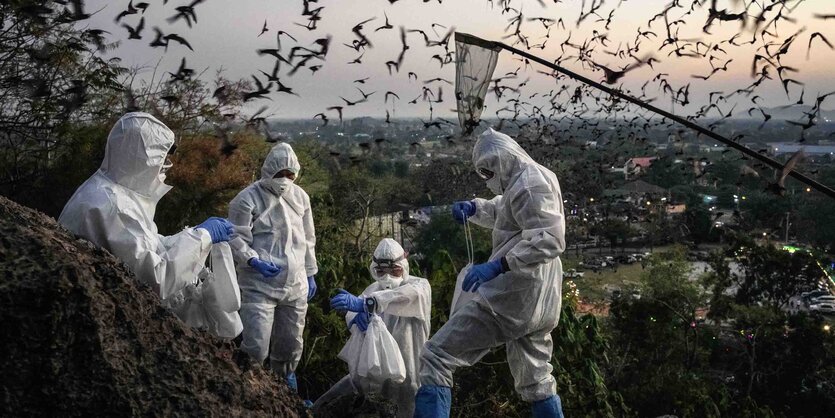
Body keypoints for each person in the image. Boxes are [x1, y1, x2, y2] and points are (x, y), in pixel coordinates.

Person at [414, 128, 566, 418]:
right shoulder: (530, 178)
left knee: (436, 356)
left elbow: (551, 239)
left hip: (515, 296)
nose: (487, 179)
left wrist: (499, 265)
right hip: (542, 301)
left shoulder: (530, 183)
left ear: (501, 159)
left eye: (487, 172)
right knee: (537, 378)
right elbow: (508, 211)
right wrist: (474, 208)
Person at [59, 112, 235, 306]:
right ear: (142, 161)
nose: (164, 169)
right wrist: (202, 237)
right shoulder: (112, 205)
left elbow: (148, 246)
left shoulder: (109, 189)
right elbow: (157, 279)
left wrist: (192, 235)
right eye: (161, 162)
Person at [227, 142, 318, 390]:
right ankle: (247, 387)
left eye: (291, 175)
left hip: (295, 283)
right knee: (256, 345)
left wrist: (310, 273)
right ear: (268, 172)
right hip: (259, 285)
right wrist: (252, 260)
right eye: (280, 174)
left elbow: (308, 239)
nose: (286, 180)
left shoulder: (301, 197)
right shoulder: (246, 200)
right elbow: (235, 237)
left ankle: (284, 388)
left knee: (290, 344)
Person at [314, 238, 431, 418]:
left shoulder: (419, 286)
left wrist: (367, 303)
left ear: (404, 265)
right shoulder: (373, 289)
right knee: (334, 402)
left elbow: (398, 297)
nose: (388, 277)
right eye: (381, 271)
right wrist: (355, 316)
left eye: (394, 270)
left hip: (410, 375)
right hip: (376, 371)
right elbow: (354, 310)